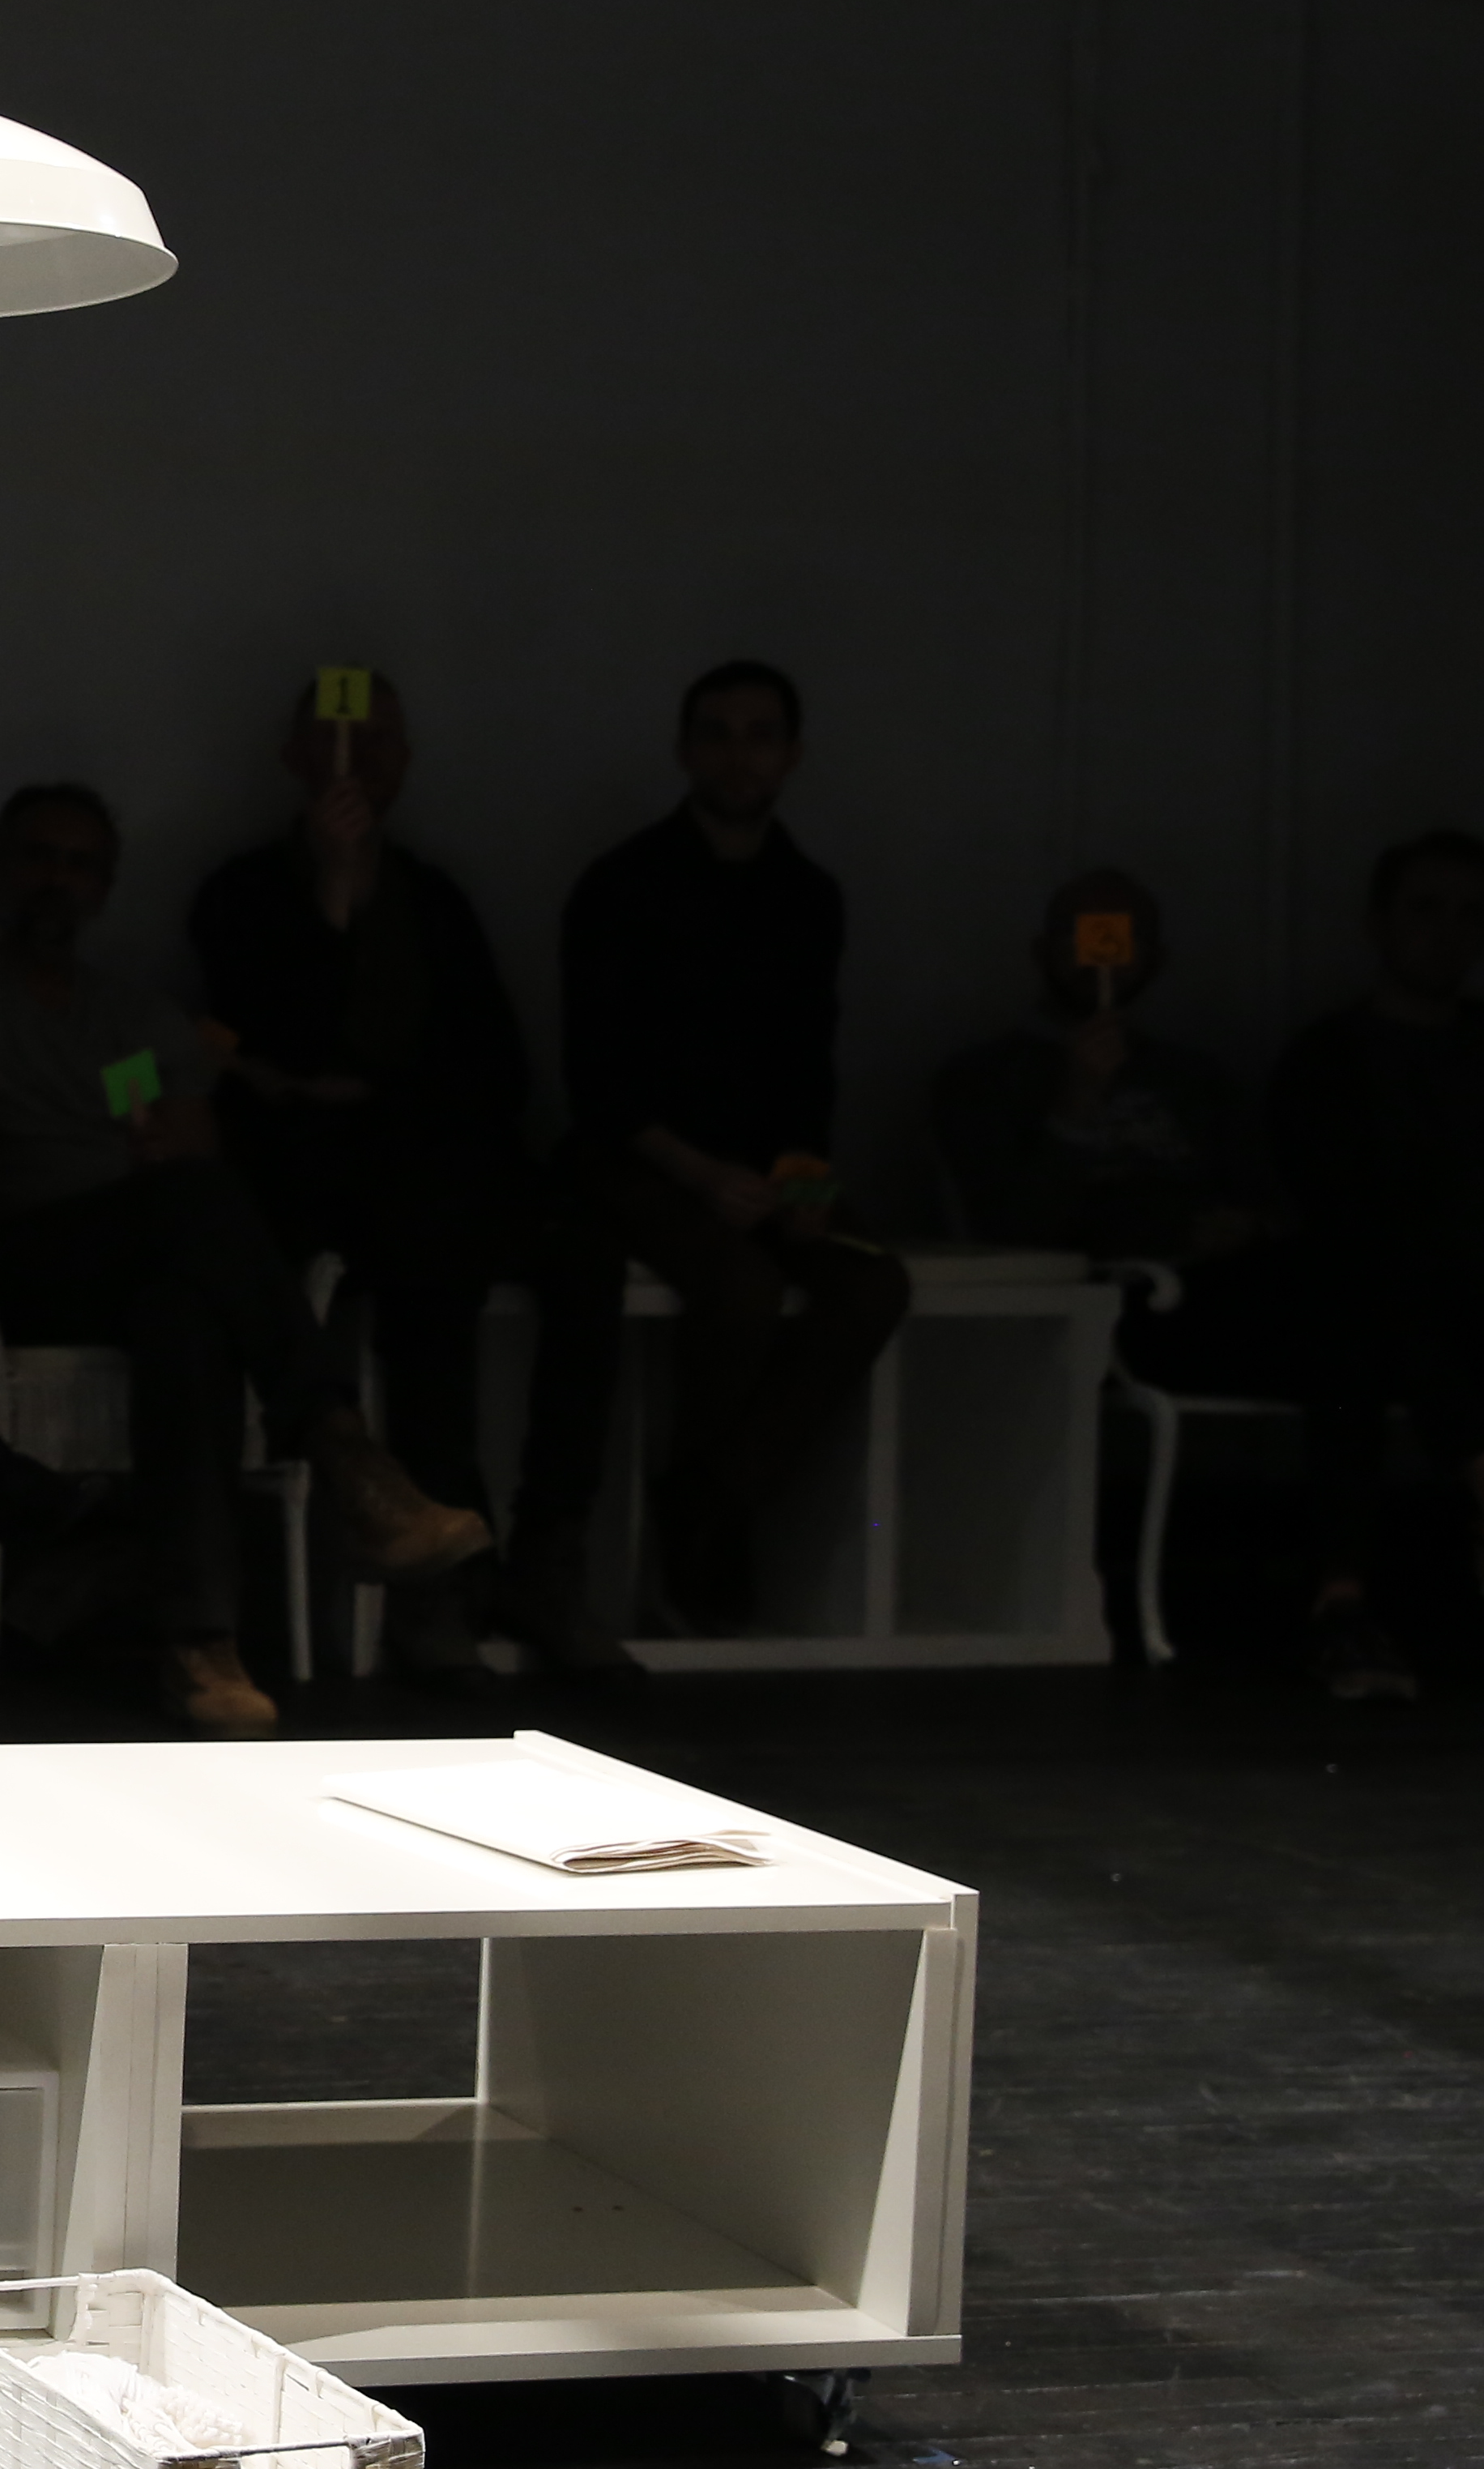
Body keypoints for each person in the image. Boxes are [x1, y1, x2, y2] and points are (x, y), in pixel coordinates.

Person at [0, 786, 488, 1736]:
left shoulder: (135, 1017)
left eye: (82, 863)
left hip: (143, 1250)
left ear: (107, 887)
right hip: (24, 1266)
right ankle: (345, 1455)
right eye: (41, 856)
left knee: (184, 1312)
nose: (60, 879)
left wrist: (159, 1145)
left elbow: (187, 1146)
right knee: (193, 1212)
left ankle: (201, 1647)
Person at [189, 674, 633, 1679]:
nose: (356, 762)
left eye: (378, 742)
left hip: (438, 1150)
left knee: (584, 1251)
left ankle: (547, 1560)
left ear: (406, 761)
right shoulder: (243, 893)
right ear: (297, 758)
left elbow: (498, 1068)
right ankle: (440, 1588)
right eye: (335, 741)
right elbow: (267, 1050)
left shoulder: (434, 899)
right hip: (318, 1175)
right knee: (431, 1266)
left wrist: (385, 1092)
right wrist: (335, 905)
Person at [556, 662, 910, 1634]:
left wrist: (807, 1179)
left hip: (762, 1171)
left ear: (791, 754)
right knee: (741, 1285)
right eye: (718, 731)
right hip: (639, 1160)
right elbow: (600, 1082)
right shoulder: (622, 885)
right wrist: (701, 1173)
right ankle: (709, 1528)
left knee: (873, 1280)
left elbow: (808, 1066)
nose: (738, 752)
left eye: (760, 733)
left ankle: (712, 1498)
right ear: (685, 750)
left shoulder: (807, 895)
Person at [932, 869, 1303, 1397]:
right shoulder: (981, 1077)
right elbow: (1009, 1239)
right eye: (1079, 936)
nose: (1101, 957)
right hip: (1085, 1308)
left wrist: (1247, 1228)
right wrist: (1077, 1103)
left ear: (1157, 961)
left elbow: (1276, 1206)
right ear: (1041, 952)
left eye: (1124, 941)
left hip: (1214, 1292)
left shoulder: (1197, 1077)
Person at [1265, 830, 1484, 1702]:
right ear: (1379, 923)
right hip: (1374, 1293)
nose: (1449, 932)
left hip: (1466, 1292)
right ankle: (1344, 1603)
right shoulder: (1327, 1060)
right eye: (1427, 909)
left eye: (1471, 914)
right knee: (1360, 1298)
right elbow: (1341, 1207)